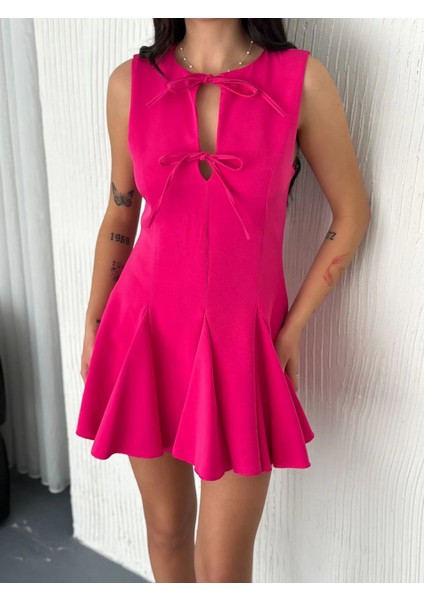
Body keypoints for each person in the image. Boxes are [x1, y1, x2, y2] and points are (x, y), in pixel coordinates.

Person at [77, 18, 371, 583]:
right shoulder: (128, 83)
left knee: (223, 569)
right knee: (165, 530)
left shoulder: (302, 80)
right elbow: (121, 210)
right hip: (144, 333)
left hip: (244, 344)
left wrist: (291, 330)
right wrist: (94, 320)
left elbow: (352, 212)